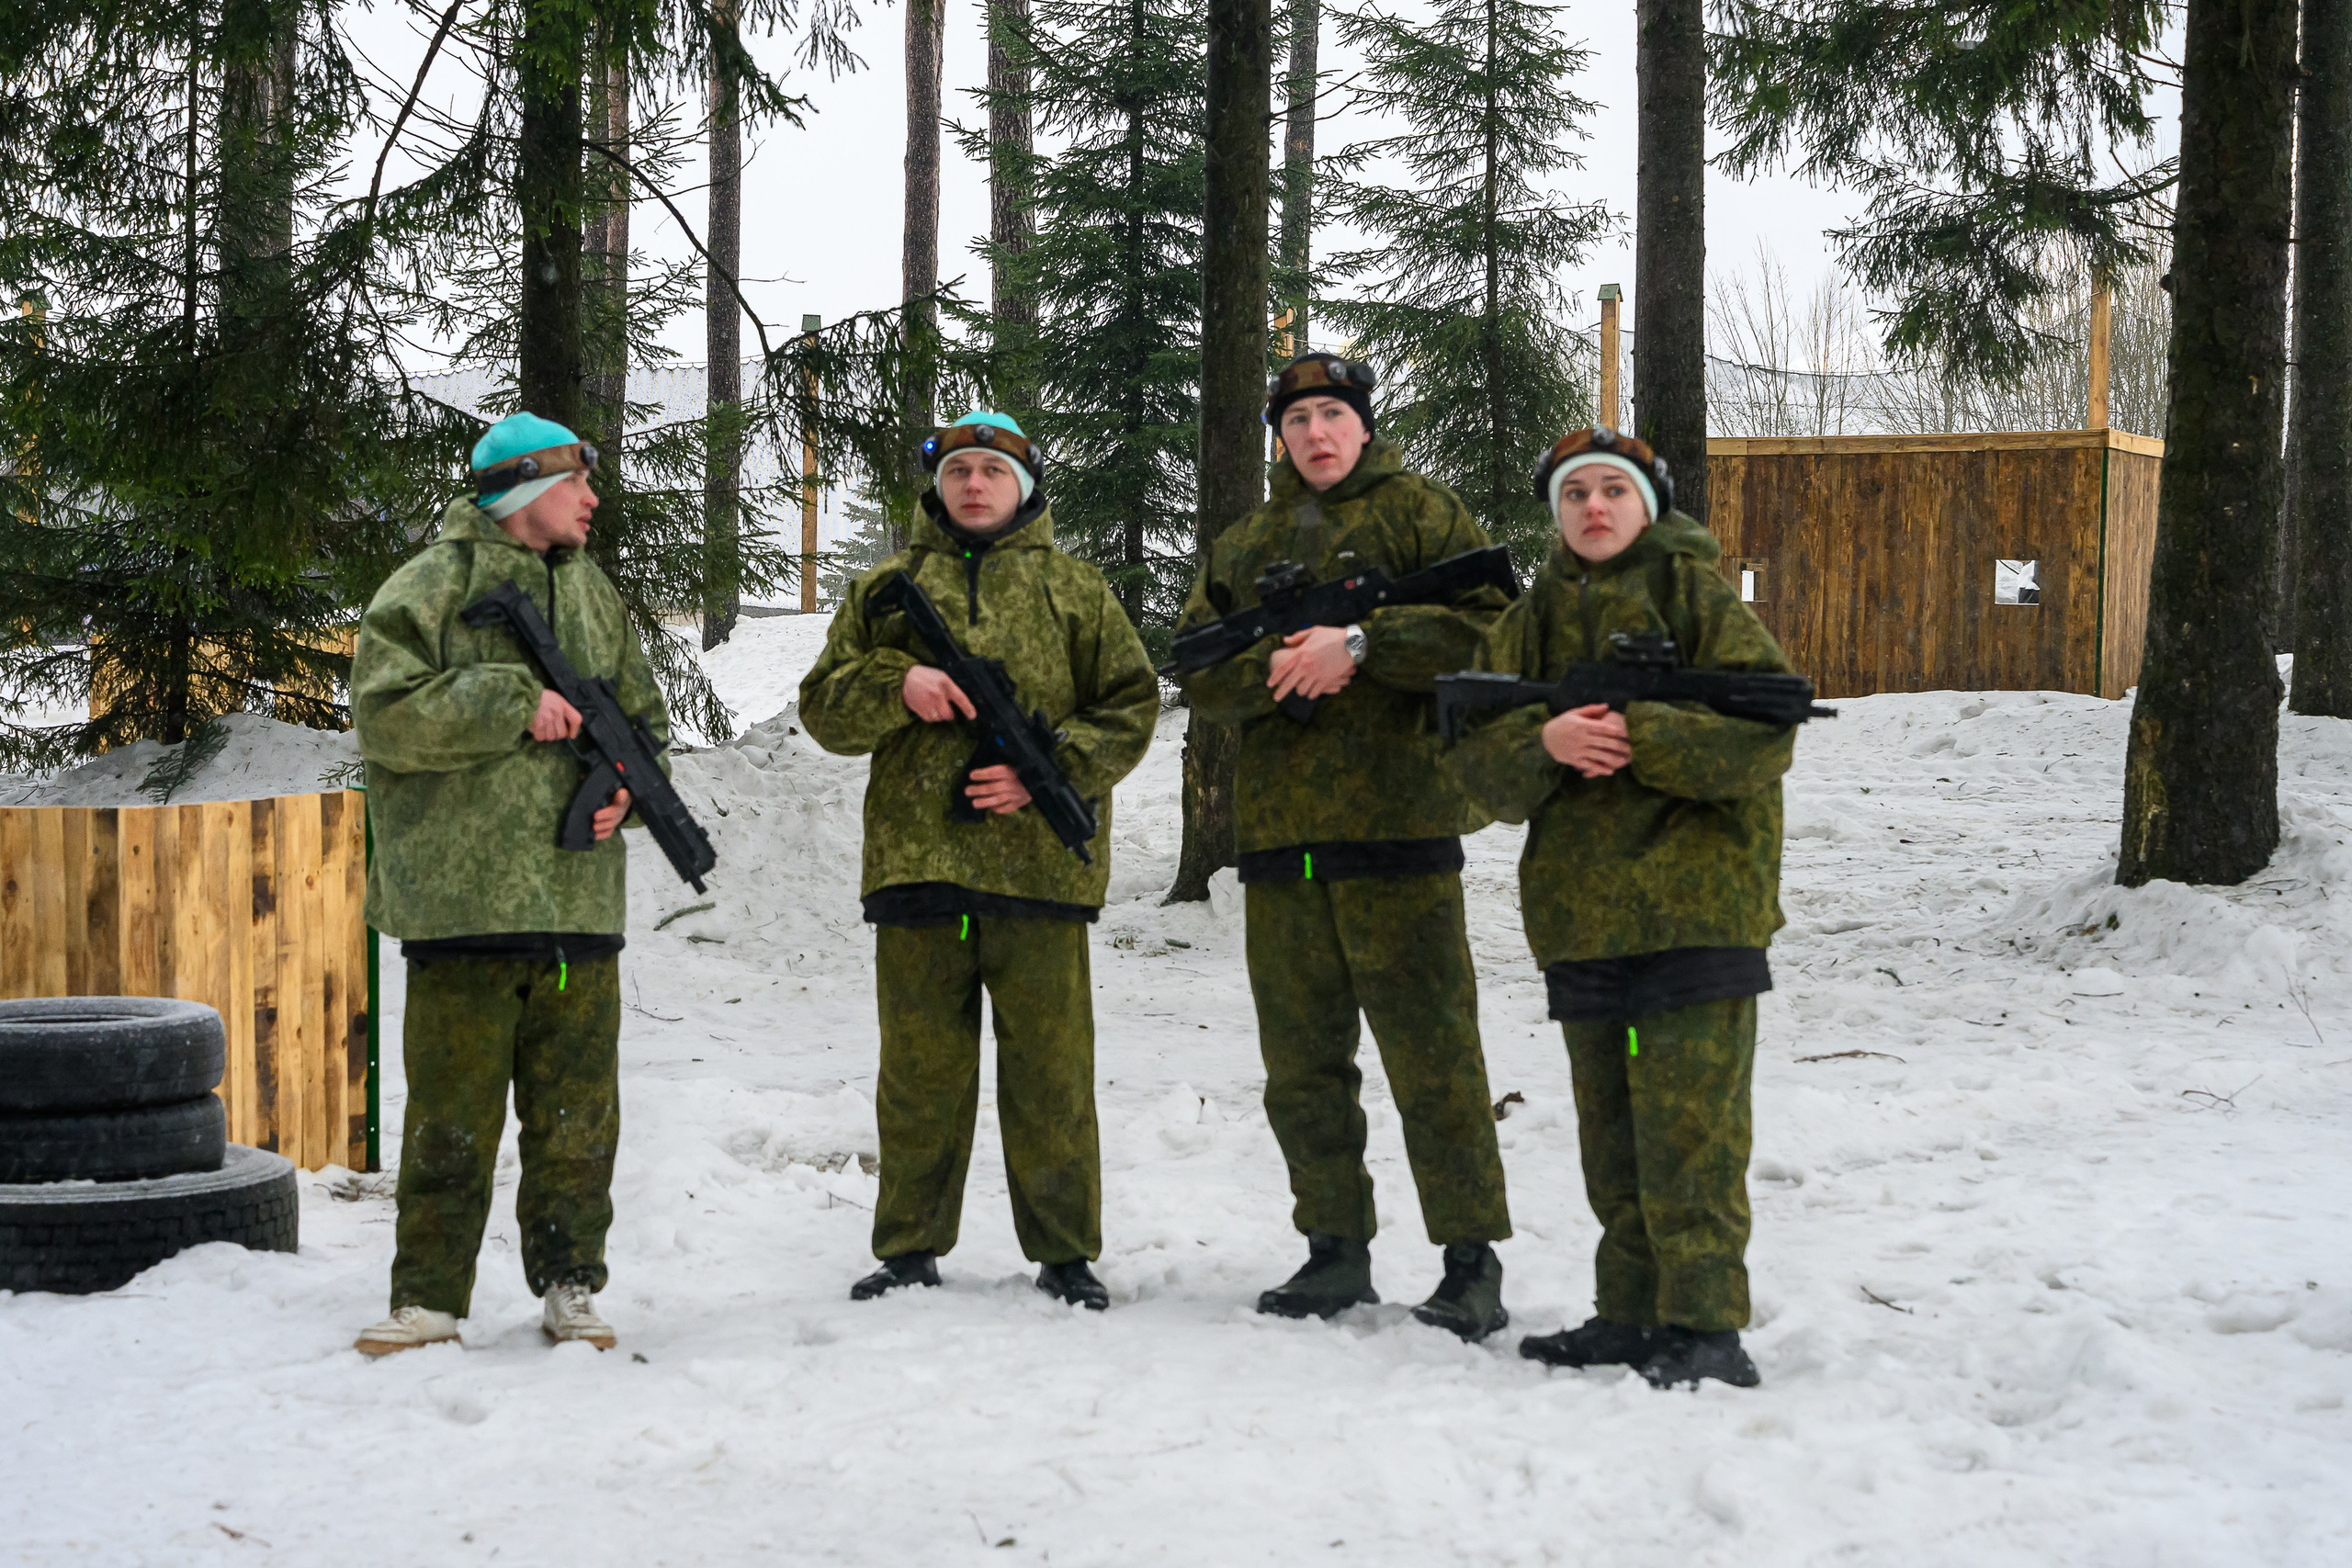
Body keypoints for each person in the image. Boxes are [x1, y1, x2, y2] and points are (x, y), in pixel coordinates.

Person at [1444, 426, 1797, 1389]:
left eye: (1612, 491)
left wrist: (1643, 732)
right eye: (1574, 495)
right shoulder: (1531, 618)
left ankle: (1706, 1325)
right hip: (1583, 920)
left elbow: (1765, 735)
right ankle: (1631, 1312)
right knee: (1610, 1137)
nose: (1593, 509)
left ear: (1649, 503)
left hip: (1698, 918)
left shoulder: (1698, 596)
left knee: (1693, 1134)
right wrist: (1546, 740)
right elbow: (1471, 757)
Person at [1173, 354, 1515, 1340]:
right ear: (1278, 437)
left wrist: (1361, 646)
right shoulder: (1248, 539)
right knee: (1301, 1067)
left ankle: (1469, 1261)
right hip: (1282, 846)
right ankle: (1333, 1251)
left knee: (1435, 1058)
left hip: (1400, 832)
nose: (1316, 435)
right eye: (1297, 421)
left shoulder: (1421, 514)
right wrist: (1280, 665)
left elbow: (1491, 632)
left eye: (1332, 416)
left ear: (1362, 425)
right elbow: (1199, 670)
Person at [799, 412, 1158, 1311]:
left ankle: (1067, 1253)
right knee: (920, 1076)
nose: (973, 485)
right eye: (959, 470)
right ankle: (909, 1246)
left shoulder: (1076, 591)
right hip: (917, 868)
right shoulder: (885, 588)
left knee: (1052, 1076)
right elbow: (823, 710)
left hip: (1040, 874)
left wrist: (1048, 778)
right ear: (937, 486)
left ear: (1024, 488)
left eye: (992, 471)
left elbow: (1130, 707)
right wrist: (898, 683)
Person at [348, 412, 665, 1356]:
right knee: (450, 1121)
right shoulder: (427, 589)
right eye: (579, 484)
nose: (593, 501)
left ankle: (572, 1285)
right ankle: (429, 1299)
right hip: (461, 908)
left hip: (576, 906)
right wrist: (513, 702)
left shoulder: (596, 593)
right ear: (527, 489)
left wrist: (623, 796)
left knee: (577, 1124)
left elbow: (642, 723)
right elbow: (386, 717)